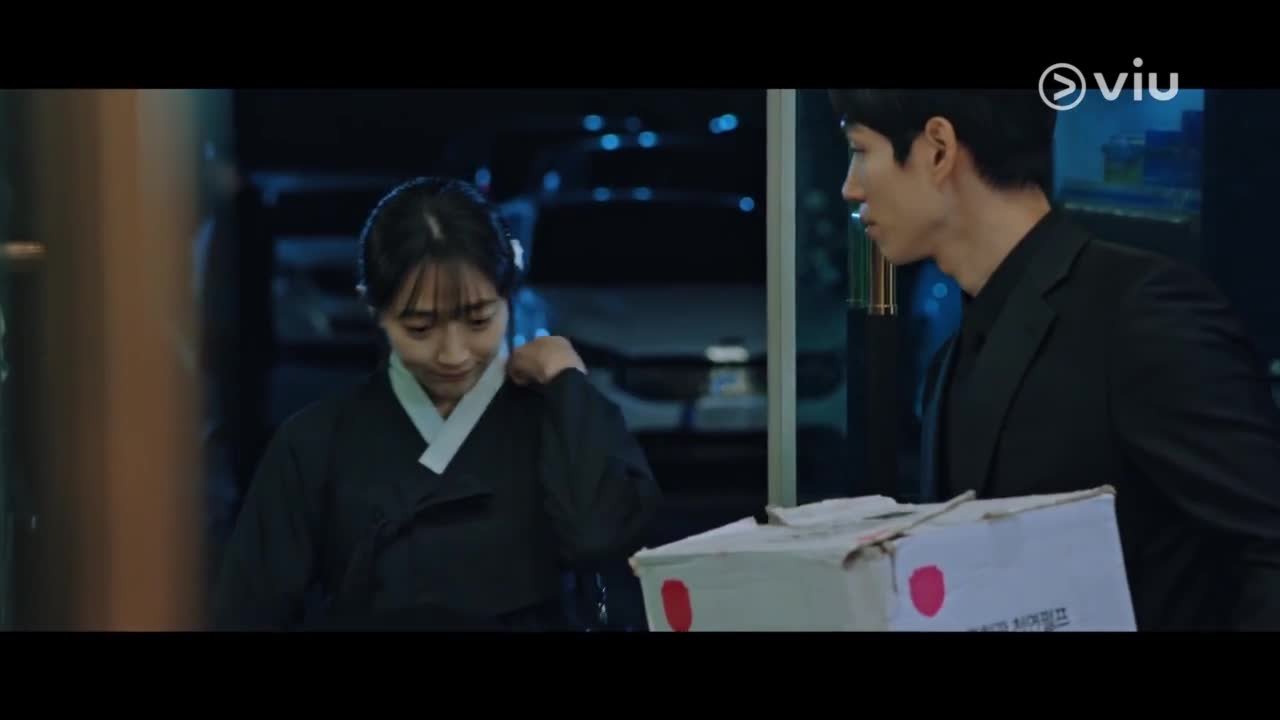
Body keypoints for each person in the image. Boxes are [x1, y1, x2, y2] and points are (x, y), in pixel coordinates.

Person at [828, 89, 1280, 631]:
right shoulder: (954, 352)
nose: (851, 187)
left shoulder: (1140, 313)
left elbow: (1267, 546)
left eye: (861, 151)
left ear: (939, 149)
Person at [211, 176, 662, 630]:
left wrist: (567, 376)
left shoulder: (555, 415)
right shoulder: (314, 442)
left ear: (509, 297)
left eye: (479, 320)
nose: (453, 354)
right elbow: (248, 613)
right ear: (373, 309)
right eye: (420, 328)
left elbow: (599, 538)